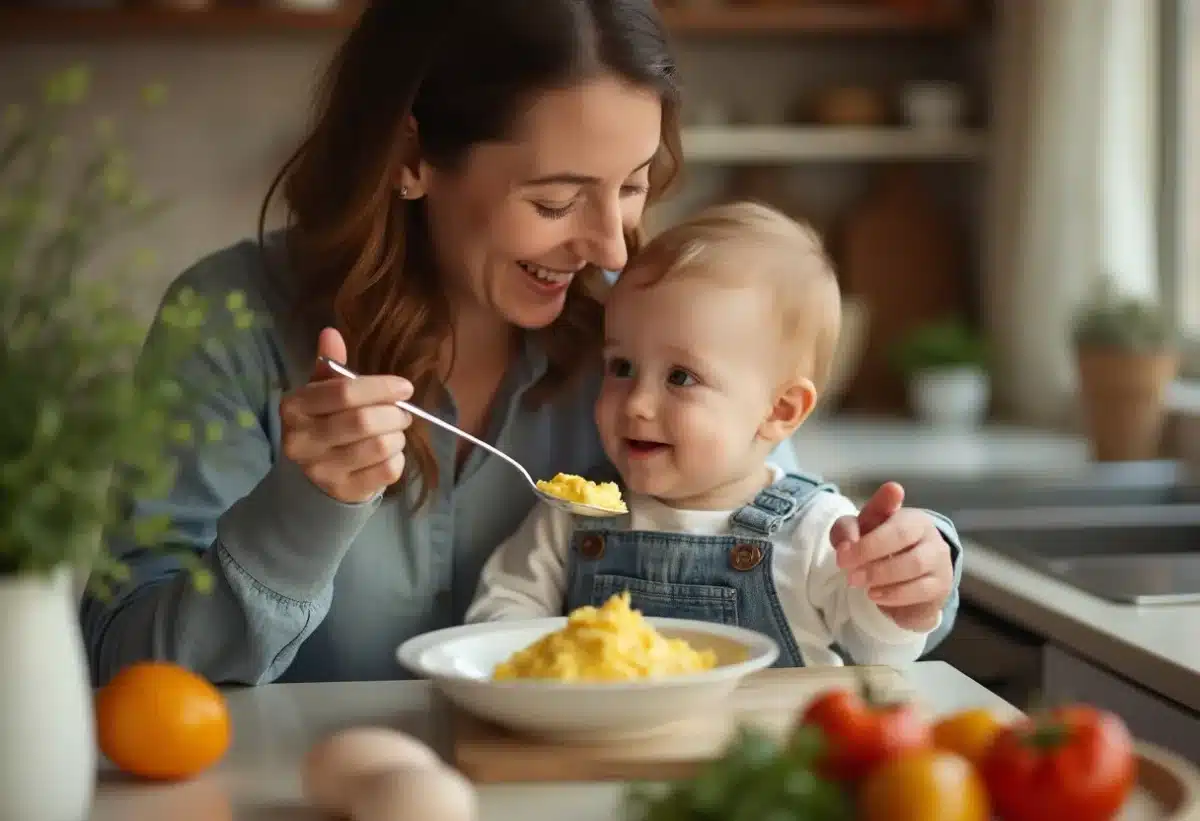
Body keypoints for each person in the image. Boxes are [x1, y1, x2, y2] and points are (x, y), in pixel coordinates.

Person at [81, 0, 964, 686]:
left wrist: (912, 574)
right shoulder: (230, 323)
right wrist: (300, 511)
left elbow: (804, 543)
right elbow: (129, 673)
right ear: (412, 156)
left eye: (634, 185)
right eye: (554, 202)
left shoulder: (646, 326)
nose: (614, 249)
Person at [466, 203, 953, 667]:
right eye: (621, 367)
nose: (636, 402)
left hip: (762, 750)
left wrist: (902, 602)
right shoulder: (574, 519)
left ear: (779, 411)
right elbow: (505, 609)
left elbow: (880, 651)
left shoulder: (818, 529)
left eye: (681, 377)